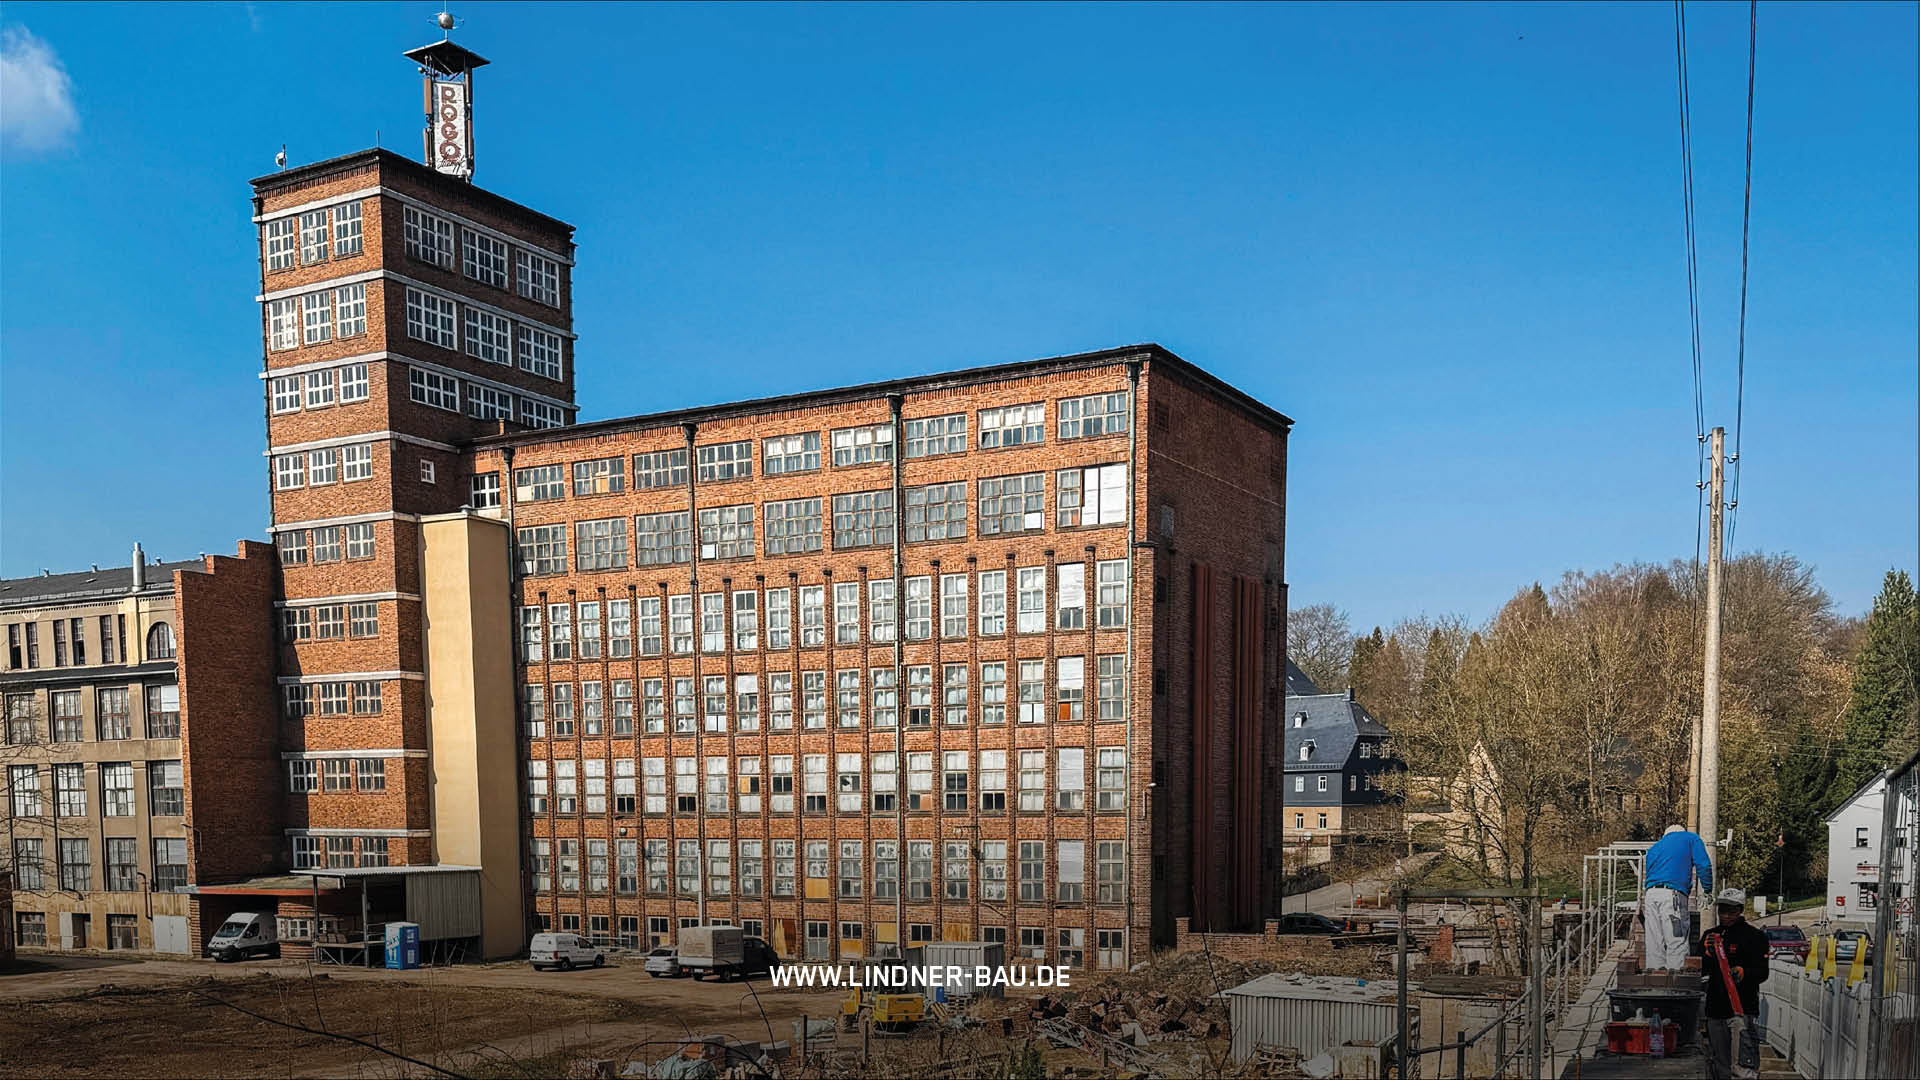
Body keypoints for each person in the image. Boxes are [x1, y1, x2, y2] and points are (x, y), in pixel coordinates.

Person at [1701, 887, 1770, 1080]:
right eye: (1722, 910)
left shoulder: (1755, 937)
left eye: (1731, 911)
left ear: (1740, 910)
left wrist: (1744, 972)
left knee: (1742, 1066)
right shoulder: (1710, 936)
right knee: (1719, 1066)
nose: (1726, 915)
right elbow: (1699, 969)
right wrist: (1705, 955)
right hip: (1715, 1009)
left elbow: (1763, 972)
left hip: (1741, 1010)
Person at [1642, 824, 1713, 970]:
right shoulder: (1691, 838)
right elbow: (1703, 865)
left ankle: (1656, 980)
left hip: (1650, 896)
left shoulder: (1655, 847)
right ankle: (1676, 981)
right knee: (1676, 939)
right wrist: (1707, 890)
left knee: (1654, 941)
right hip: (1672, 896)